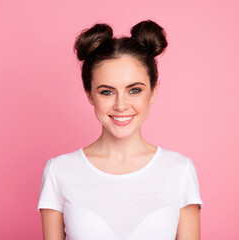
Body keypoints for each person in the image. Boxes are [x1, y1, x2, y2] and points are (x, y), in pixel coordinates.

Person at [37, 20, 203, 240]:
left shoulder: (179, 171)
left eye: (134, 90)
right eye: (107, 92)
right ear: (89, 94)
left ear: (153, 92)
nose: (121, 105)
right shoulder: (59, 171)